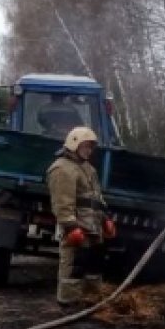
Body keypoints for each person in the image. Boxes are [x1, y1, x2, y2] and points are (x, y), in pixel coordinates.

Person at [47, 126, 108, 306]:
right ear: (74, 144)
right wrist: (70, 226)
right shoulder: (62, 169)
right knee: (74, 263)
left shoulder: (87, 168)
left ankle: (91, 299)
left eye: (90, 147)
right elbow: (62, 202)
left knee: (93, 262)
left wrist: (106, 218)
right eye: (85, 146)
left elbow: (96, 196)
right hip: (77, 225)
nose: (88, 150)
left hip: (93, 225)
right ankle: (68, 301)